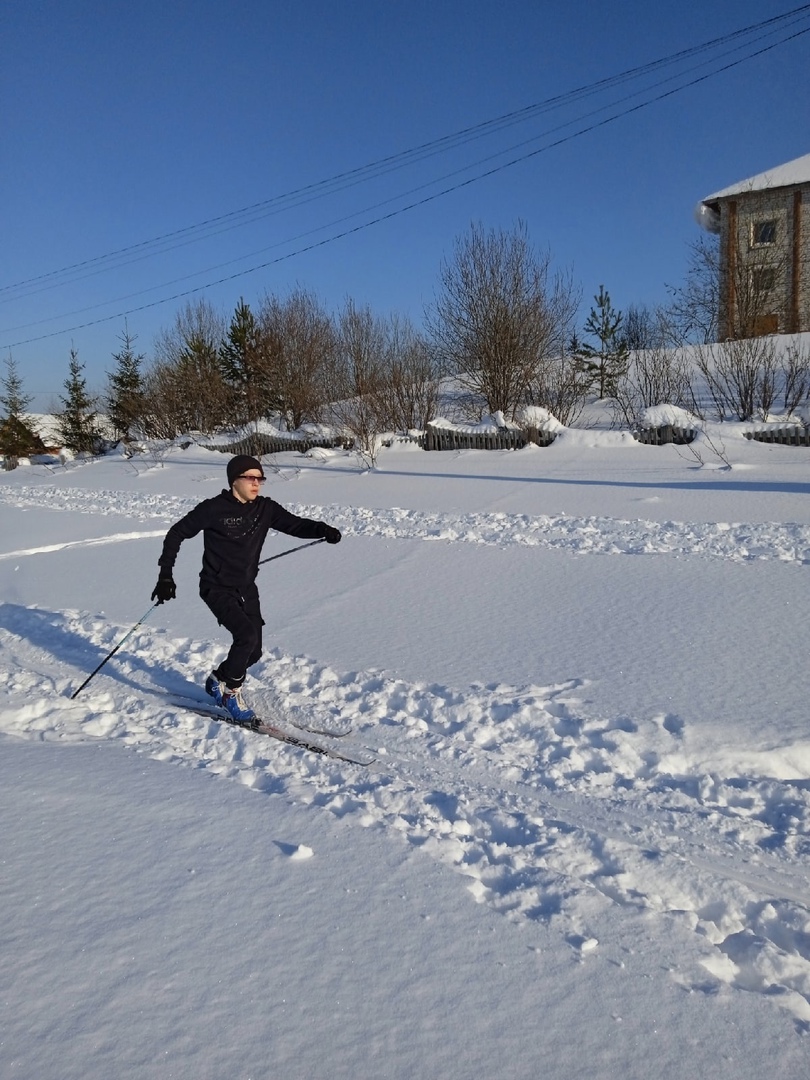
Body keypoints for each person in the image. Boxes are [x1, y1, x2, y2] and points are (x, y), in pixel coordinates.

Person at [151, 454, 341, 724]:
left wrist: (324, 529)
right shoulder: (213, 509)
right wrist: (165, 576)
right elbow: (176, 534)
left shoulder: (265, 509)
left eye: (260, 478)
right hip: (216, 587)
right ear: (234, 481)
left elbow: (295, 524)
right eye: (250, 478)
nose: (257, 483)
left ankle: (218, 679)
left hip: (246, 588)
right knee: (246, 636)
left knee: (254, 651)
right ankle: (231, 694)